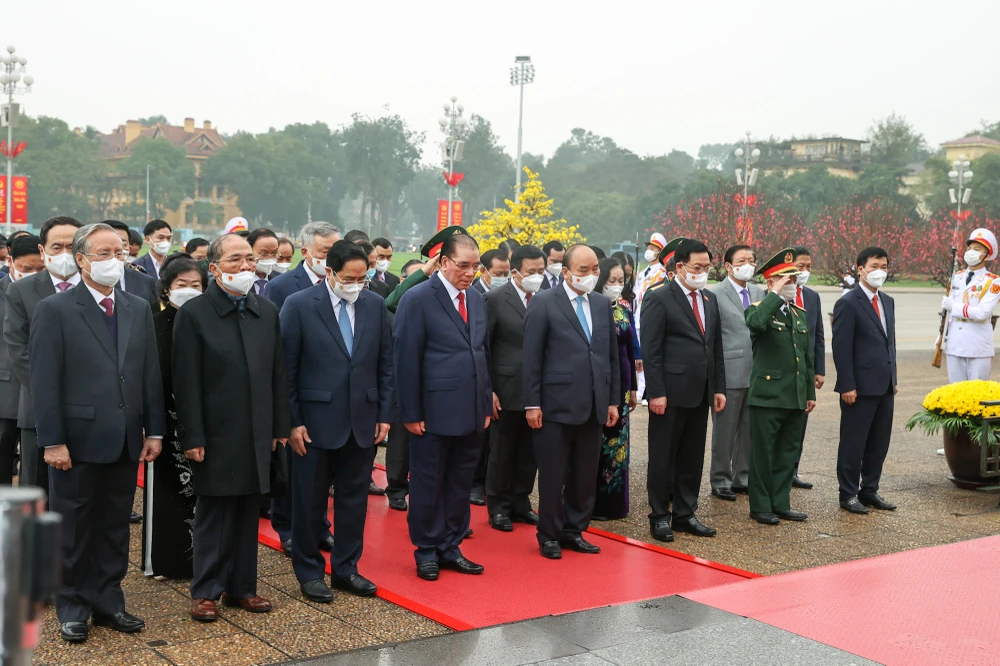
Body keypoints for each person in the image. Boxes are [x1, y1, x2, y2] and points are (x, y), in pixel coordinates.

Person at [30, 223, 165, 643]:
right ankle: (72, 606)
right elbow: (44, 381)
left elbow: (149, 374)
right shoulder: (55, 309)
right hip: (76, 441)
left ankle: (109, 600)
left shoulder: (136, 306)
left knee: (114, 526)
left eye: (119, 252)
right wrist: (53, 441)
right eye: (103, 253)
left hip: (125, 438)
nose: (114, 260)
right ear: (82, 260)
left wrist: (155, 431)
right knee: (73, 528)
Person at [172, 234, 291, 622]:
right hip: (216, 432)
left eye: (249, 259)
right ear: (214, 268)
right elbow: (186, 382)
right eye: (235, 259)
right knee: (214, 512)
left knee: (247, 511)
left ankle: (242, 587)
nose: (245, 266)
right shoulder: (195, 314)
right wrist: (192, 435)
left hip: (257, 430)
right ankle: (206, 590)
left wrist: (279, 426)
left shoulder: (266, 311)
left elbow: (277, 374)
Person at [282, 241, 393, 603]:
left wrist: (384, 413)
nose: (356, 285)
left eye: (362, 279)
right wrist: (292, 422)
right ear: (329, 272)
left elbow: (385, 364)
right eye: (349, 278)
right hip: (314, 422)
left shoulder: (374, 304)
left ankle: (346, 568)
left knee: (354, 500)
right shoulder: (299, 305)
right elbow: (285, 370)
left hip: (362, 419)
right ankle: (310, 571)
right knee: (309, 501)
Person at [393, 227, 492, 581]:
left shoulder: (476, 299)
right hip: (432, 412)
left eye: (475, 266)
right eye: (463, 265)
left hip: (471, 409)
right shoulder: (418, 298)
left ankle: (451, 545)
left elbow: (482, 353)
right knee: (428, 483)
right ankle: (426, 549)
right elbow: (406, 359)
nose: (470, 272)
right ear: (443, 262)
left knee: (460, 482)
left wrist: (485, 402)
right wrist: (411, 412)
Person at [523, 245, 619, 559]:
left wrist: (612, 400)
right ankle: (549, 534)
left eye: (595, 270)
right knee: (553, 474)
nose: (591, 276)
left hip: (593, 404)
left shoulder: (601, 303)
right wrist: (532, 403)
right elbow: (531, 357)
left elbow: (610, 356)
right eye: (583, 270)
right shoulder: (544, 302)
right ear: (566, 272)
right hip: (554, 405)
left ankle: (574, 530)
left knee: (584, 473)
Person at [262, 221, 341, 553]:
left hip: (331, 393)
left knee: (323, 470)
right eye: (326, 251)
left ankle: (318, 525)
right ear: (306, 251)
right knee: (293, 465)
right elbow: (275, 344)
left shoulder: (342, 283)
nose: (332, 257)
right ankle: (287, 527)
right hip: (296, 387)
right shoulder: (281, 287)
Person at [641, 239, 726, 542]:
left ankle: (685, 513)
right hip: (670, 393)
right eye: (697, 267)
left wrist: (718, 387)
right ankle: (659, 515)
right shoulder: (659, 298)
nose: (702, 272)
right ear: (679, 266)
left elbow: (714, 348)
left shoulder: (709, 299)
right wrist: (656, 392)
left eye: (706, 267)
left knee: (692, 457)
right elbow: (651, 350)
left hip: (700, 392)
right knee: (663, 456)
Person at [4, 216, 83, 494]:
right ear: (42, 249)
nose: (64, 254)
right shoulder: (21, 290)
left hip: (93, 411)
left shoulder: (101, 288)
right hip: (39, 409)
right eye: (56, 247)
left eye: (71, 246)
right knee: (38, 493)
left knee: (85, 495)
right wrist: (53, 392)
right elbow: (20, 351)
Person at [142, 254, 207, 580]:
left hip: (204, 422)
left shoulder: (208, 323)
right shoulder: (152, 323)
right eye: (183, 284)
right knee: (167, 493)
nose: (190, 289)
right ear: (166, 288)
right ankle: (166, 561)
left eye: (196, 284)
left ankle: (204, 562)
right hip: (164, 420)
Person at [744, 249, 816, 525]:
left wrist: (809, 393)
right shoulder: (758, 309)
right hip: (768, 396)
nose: (793, 284)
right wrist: (773, 295)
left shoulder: (798, 313)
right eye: (787, 279)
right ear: (771, 282)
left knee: (787, 452)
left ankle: (780, 502)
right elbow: (756, 323)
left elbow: (806, 357)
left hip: (795, 395)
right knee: (763, 454)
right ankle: (761, 506)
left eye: (794, 279)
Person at [483, 245, 545, 531]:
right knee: (502, 451)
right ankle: (498, 507)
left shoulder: (545, 299)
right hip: (505, 387)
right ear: (516, 271)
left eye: (541, 271)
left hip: (538, 389)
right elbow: (483, 346)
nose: (537, 276)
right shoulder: (495, 299)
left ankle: (521, 502)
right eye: (532, 271)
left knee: (529, 452)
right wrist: (488, 389)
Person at [833, 247, 897, 514]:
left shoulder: (888, 301)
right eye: (874, 266)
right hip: (858, 387)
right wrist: (847, 384)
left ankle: (869, 490)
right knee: (854, 442)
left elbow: (889, 343)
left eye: (884, 266)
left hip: (884, 385)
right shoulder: (848, 303)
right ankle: (848, 493)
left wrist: (894, 378)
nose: (879, 271)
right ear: (860, 269)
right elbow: (841, 348)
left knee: (878, 443)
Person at [708, 245, 765, 500]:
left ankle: (743, 477)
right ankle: (721, 478)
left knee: (750, 429)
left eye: (751, 260)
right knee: (725, 431)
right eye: (742, 261)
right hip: (729, 371)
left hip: (757, 370)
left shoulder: (759, 292)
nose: (748, 265)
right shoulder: (715, 294)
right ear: (728, 266)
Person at [592, 258, 638, 521]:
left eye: (621, 280)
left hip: (623, 383)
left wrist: (633, 388)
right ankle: (592, 503)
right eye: (612, 281)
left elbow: (630, 349)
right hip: (601, 382)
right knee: (598, 444)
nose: (617, 286)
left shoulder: (624, 308)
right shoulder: (593, 308)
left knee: (618, 445)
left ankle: (615, 504)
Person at [384, 259, 427, 511]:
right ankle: (397, 487)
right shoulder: (390, 310)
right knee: (400, 441)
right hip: (401, 385)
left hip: (429, 383)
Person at [0, 235, 42, 484]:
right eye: (27, 268)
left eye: (40, 269)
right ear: (11, 262)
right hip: (5, 391)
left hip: (38, 392)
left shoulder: (52, 293)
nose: (33, 274)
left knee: (33, 468)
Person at [941, 228, 1000, 383]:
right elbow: (948, 315)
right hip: (954, 343)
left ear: (987, 255)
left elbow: (982, 313)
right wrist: (941, 336)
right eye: (969, 248)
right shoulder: (957, 277)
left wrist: (954, 307)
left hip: (978, 346)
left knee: (977, 392)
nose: (971, 252)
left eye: (977, 249)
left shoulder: (993, 282)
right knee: (956, 391)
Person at [790, 247, 825, 489]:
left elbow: (818, 335)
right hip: (782, 371)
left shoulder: (812, 297)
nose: (805, 271)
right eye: (800, 266)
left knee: (800, 424)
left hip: (806, 371)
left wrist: (819, 370)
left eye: (809, 267)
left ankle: (792, 470)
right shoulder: (774, 294)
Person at [633, 233, 669, 403]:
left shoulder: (661, 272)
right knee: (639, 356)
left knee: (648, 354)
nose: (649, 251)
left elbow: (648, 293)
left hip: (649, 315)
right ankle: (640, 389)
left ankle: (647, 390)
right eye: (648, 248)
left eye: (653, 248)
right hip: (637, 316)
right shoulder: (642, 272)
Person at [105, 221, 159, 311]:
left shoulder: (146, 283)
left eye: (122, 244)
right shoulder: (86, 280)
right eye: (108, 243)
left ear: (129, 248)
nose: (116, 249)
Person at [247, 228, 281, 295]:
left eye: (274, 253)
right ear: (249, 251)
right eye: (264, 253)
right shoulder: (239, 281)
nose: (270, 258)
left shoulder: (280, 280)